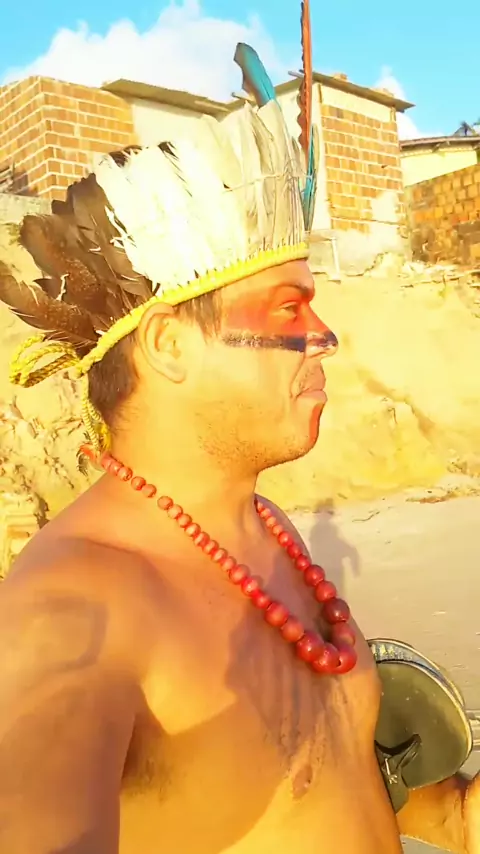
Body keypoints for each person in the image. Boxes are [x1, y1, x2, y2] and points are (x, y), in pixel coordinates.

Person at [0, 9, 478, 853]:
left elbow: (364, 795)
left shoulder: (265, 530)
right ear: (169, 345)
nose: (324, 338)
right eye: (289, 311)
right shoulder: (71, 616)